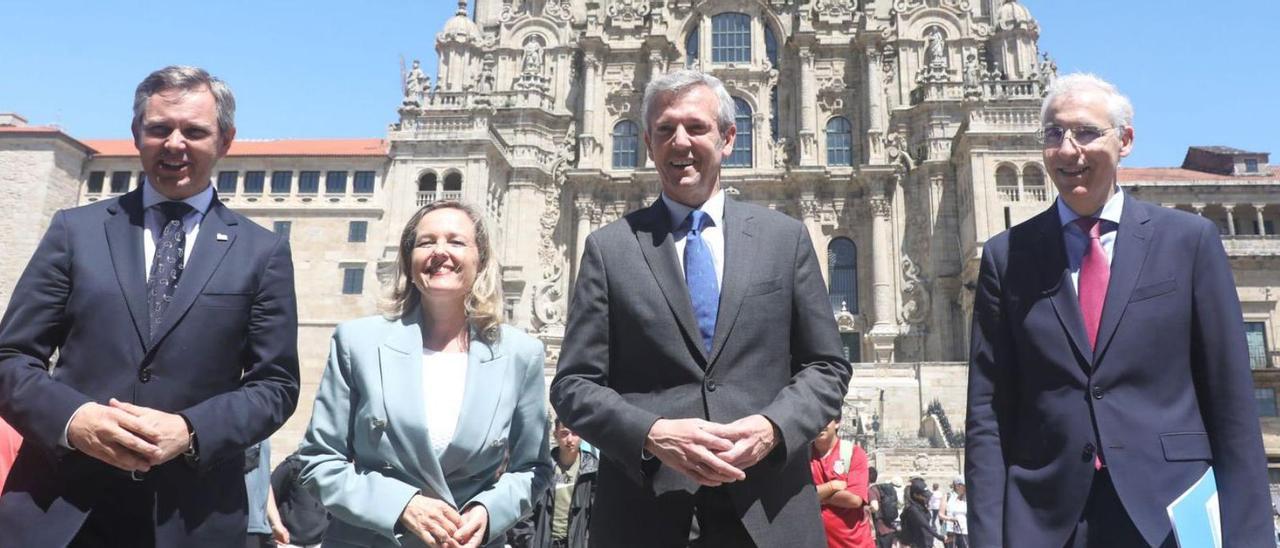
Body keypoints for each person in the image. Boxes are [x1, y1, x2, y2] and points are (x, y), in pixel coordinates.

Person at [965, 72, 1271, 547]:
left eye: (1087, 132)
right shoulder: (1006, 257)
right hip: (1047, 523)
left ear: (1125, 140)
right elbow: (988, 414)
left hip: (1168, 517)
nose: (1069, 150)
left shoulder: (1188, 242)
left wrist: (1250, 539)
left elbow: (1230, 402)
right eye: (1053, 134)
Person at [0, 65, 300, 547]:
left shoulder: (262, 253)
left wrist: (190, 430)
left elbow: (276, 386)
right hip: (61, 511)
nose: (175, 143)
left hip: (191, 518)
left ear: (225, 141)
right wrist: (76, 421)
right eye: (159, 128)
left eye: (194, 131)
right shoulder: (74, 231)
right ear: (137, 134)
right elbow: (10, 359)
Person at [549, 69, 852, 547]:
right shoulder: (609, 249)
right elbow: (572, 386)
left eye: (696, 127)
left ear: (729, 138)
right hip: (647, 518)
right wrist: (652, 434)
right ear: (648, 143)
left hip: (768, 514)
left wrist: (774, 428)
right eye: (665, 130)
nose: (680, 142)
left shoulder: (784, 239)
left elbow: (827, 367)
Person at [299, 200, 552, 548]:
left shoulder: (521, 355)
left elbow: (533, 469)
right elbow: (317, 461)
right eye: (426, 242)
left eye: (456, 241)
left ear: (480, 260)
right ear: (409, 259)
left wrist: (488, 510)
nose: (440, 252)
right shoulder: (358, 342)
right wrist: (400, 505)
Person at [509, 418, 599, 548]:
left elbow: (597, 518)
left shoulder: (592, 471)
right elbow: (524, 513)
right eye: (564, 433)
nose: (570, 440)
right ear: (555, 434)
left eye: (575, 433)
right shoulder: (541, 469)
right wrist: (531, 544)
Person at [809, 420, 872, 548]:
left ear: (837, 423)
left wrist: (814, 496)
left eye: (826, 419)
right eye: (815, 418)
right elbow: (792, 498)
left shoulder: (853, 453)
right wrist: (831, 487)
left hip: (854, 543)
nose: (820, 423)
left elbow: (854, 500)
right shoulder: (801, 457)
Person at [271, 449, 330, 548]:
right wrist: (276, 524)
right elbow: (269, 492)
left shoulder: (334, 468)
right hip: (288, 542)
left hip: (321, 542)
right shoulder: (293, 465)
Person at [898, 479, 945, 548]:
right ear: (915, 495)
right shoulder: (912, 509)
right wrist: (940, 537)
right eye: (923, 495)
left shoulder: (922, 505)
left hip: (926, 542)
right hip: (917, 544)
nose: (926, 497)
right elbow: (924, 524)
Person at [937, 477, 967, 548]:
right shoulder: (948, 496)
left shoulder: (967, 497)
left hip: (965, 532)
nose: (966, 487)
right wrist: (951, 519)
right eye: (964, 485)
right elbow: (940, 514)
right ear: (957, 486)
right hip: (950, 531)